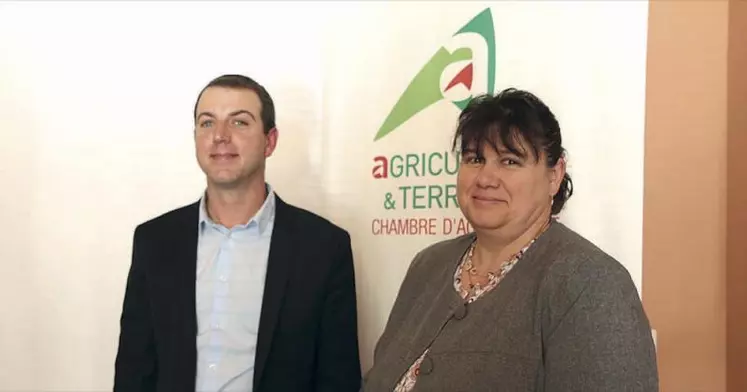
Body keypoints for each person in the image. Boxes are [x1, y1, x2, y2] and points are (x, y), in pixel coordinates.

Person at [362, 88, 659, 391]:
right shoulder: (428, 265)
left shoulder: (590, 284)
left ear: (554, 175)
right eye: (475, 158)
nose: (486, 178)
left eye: (510, 161)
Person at [114, 74, 362, 392]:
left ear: (270, 141)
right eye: (207, 123)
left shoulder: (323, 248)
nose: (220, 136)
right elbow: (134, 372)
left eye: (239, 123)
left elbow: (337, 379)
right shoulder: (156, 242)